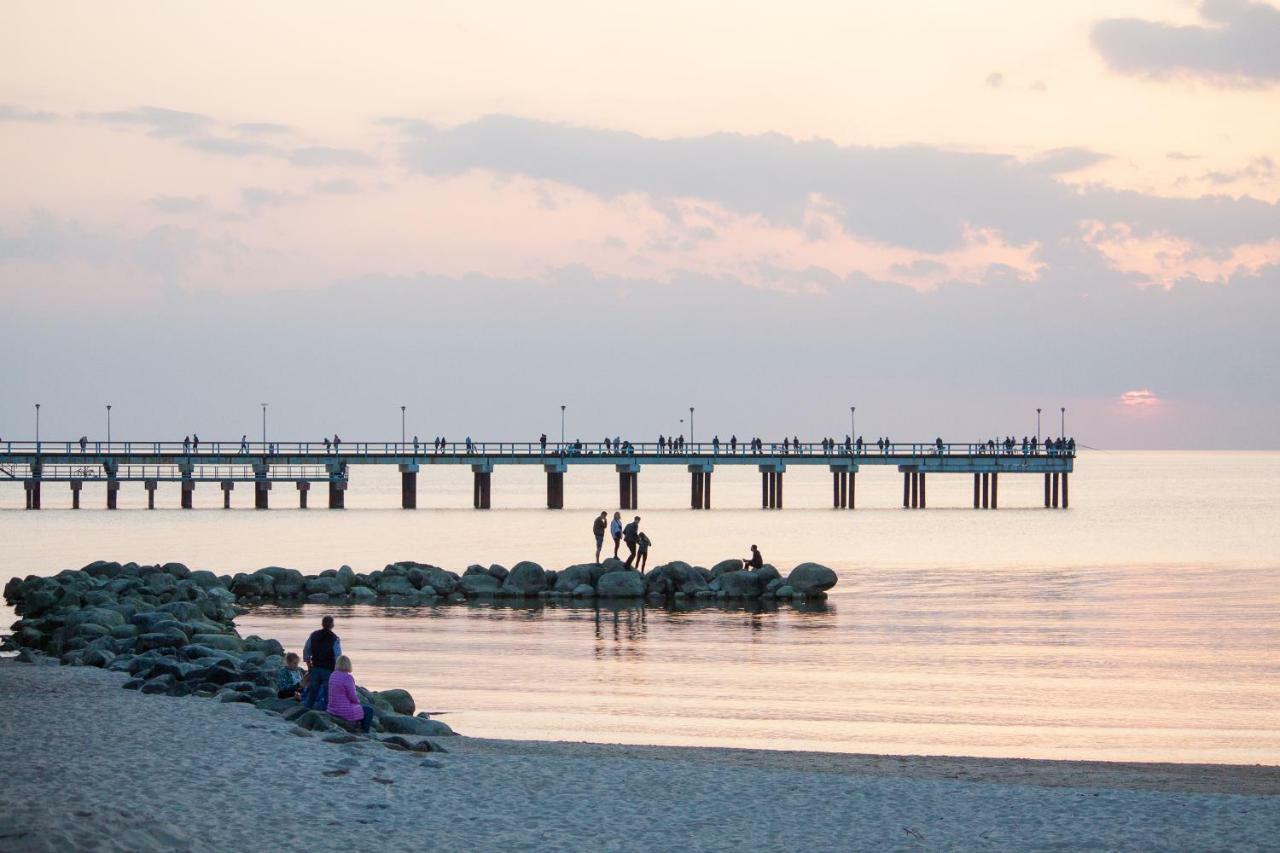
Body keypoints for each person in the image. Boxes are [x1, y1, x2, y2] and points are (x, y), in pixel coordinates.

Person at [326, 656, 375, 733]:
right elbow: (352, 696)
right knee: (369, 710)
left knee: (362, 709)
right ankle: (365, 731)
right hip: (343, 710)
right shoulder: (348, 678)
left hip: (332, 708)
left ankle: (359, 727)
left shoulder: (333, 675)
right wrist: (358, 702)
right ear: (348, 665)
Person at [301, 615, 341, 710]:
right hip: (329, 669)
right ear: (332, 625)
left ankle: (307, 711)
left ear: (322, 624)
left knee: (312, 694)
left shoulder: (314, 635)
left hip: (315, 667)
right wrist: (337, 671)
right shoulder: (334, 638)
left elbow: (306, 650)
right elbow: (338, 656)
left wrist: (309, 665)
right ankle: (327, 713)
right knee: (328, 695)